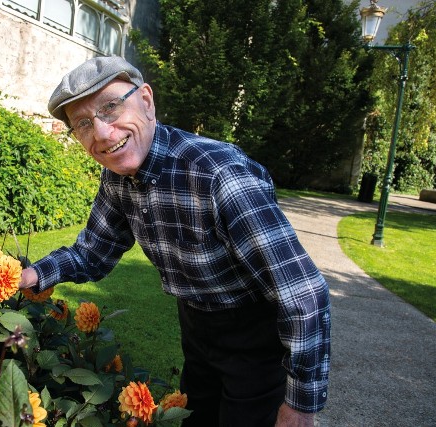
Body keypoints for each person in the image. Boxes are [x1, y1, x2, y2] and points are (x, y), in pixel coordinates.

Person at [20, 56, 330, 427]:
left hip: (255, 338)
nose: (102, 133)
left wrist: (300, 406)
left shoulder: (218, 174)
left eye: (111, 107)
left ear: (146, 101)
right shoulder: (119, 176)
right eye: (83, 124)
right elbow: (94, 252)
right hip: (196, 328)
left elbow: (303, 293)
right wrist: (35, 274)